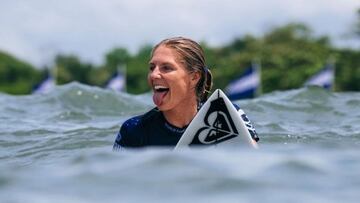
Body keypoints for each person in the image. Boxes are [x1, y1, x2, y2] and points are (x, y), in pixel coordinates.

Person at [113, 37, 259, 150]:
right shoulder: (134, 130)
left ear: (194, 77)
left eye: (166, 68)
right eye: (152, 67)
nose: (154, 75)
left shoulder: (225, 116)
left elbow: (253, 165)